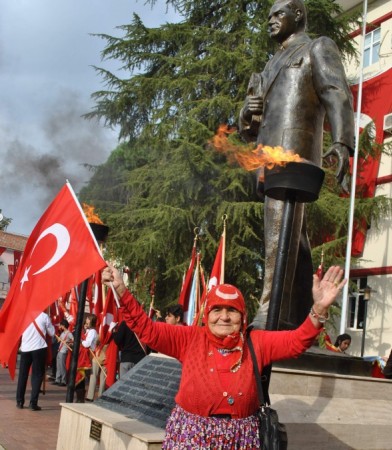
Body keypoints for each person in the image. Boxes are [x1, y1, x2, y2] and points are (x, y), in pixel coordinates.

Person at [102, 263, 345, 448]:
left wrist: (319, 309)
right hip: (189, 437)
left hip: (242, 440)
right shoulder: (189, 339)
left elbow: (297, 342)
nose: (224, 317)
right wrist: (121, 290)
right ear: (207, 315)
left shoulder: (257, 342)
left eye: (232, 310)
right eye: (216, 310)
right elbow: (146, 329)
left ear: (243, 316)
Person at [239, 0, 354, 330]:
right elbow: (250, 128)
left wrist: (342, 141)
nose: (271, 22)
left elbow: (336, 92)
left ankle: (269, 311)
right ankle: (298, 314)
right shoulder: (267, 67)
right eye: (269, 17)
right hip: (268, 161)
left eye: (278, 15)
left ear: (298, 15)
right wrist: (247, 113)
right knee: (293, 239)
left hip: (295, 156)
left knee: (280, 232)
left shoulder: (317, 48)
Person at [16, 311, 55, 410]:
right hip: (39, 348)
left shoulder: (24, 315)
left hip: (25, 348)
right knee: (37, 375)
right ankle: (33, 403)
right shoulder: (44, 316)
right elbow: (52, 333)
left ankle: (19, 401)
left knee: (22, 376)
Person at [74, 314, 98, 403]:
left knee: (85, 377)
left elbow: (86, 344)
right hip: (83, 356)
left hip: (88, 357)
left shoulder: (92, 331)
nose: (86, 320)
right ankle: (80, 397)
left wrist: (80, 340)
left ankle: (82, 397)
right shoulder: (87, 331)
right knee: (82, 377)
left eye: (88, 319)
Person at [52, 319, 73, 386]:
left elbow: (73, 340)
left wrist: (69, 343)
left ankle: (63, 381)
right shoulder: (62, 333)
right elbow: (59, 341)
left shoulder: (69, 333)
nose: (60, 326)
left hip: (64, 351)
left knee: (62, 366)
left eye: (61, 325)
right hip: (59, 350)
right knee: (58, 366)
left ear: (63, 325)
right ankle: (57, 379)